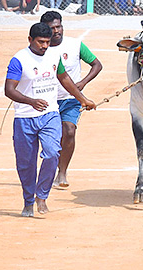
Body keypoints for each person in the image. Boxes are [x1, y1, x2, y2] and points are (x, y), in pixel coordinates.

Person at [4, 22, 95, 217]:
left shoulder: (54, 56)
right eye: (40, 42)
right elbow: (9, 90)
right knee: (26, 164)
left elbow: (64, 79)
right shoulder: (18, 60)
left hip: (50, 115)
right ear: (30, 40)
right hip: (25, 118)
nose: (44, 46)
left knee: (53, 153)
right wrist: (31, 101)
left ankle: (42, 196)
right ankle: (28, 201)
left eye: (47, 42)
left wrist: (83, 99)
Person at [40, 11, 103, 190]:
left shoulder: (75, 45)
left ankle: (62, 172)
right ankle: (48, 170)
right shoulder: (41, 48)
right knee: (50, 139)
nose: (57, 31)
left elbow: (97, 65)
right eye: (52, 28)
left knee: (69, 131)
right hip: (48, 101)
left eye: (59, 26)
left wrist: (82, 83)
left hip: (71, 99)